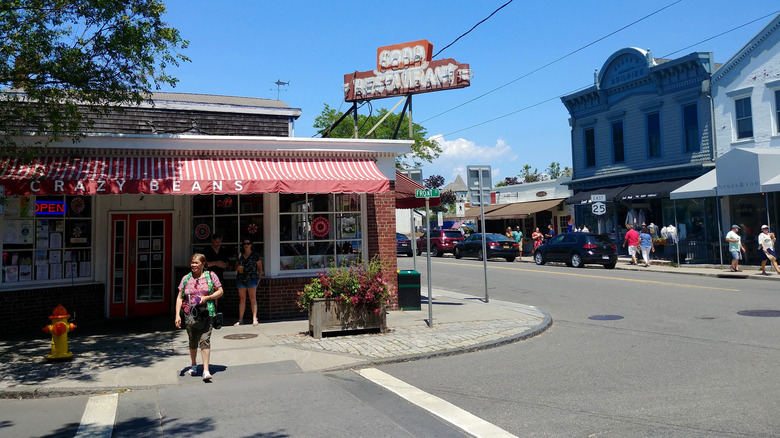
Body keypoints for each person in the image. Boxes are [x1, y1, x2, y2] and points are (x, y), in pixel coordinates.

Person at [175, 253, 224, 382]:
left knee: (204, 340)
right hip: (190, 313)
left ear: (203, 264)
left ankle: (206, 370)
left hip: (207, 313)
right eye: (192, 262)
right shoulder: (186, 278)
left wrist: (207, 297)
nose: (193, 265)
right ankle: (193, 364)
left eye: (196, 263)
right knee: (192, 340)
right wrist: (177, 315)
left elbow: (220, 291)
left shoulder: (210, 276)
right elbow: (180, 297)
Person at [235, 238, 264, 325]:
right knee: (242, 299)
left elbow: (260, 268)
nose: (246, 245)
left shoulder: (255, 255)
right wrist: (238, 267)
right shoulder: (240, 255)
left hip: (252, 279)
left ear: (251, 245)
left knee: (252, 299)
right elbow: (236, 266)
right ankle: (240, 319)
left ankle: (254, 318)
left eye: (248, 243)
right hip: (241, 279)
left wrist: (259, 278)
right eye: (244, 244)